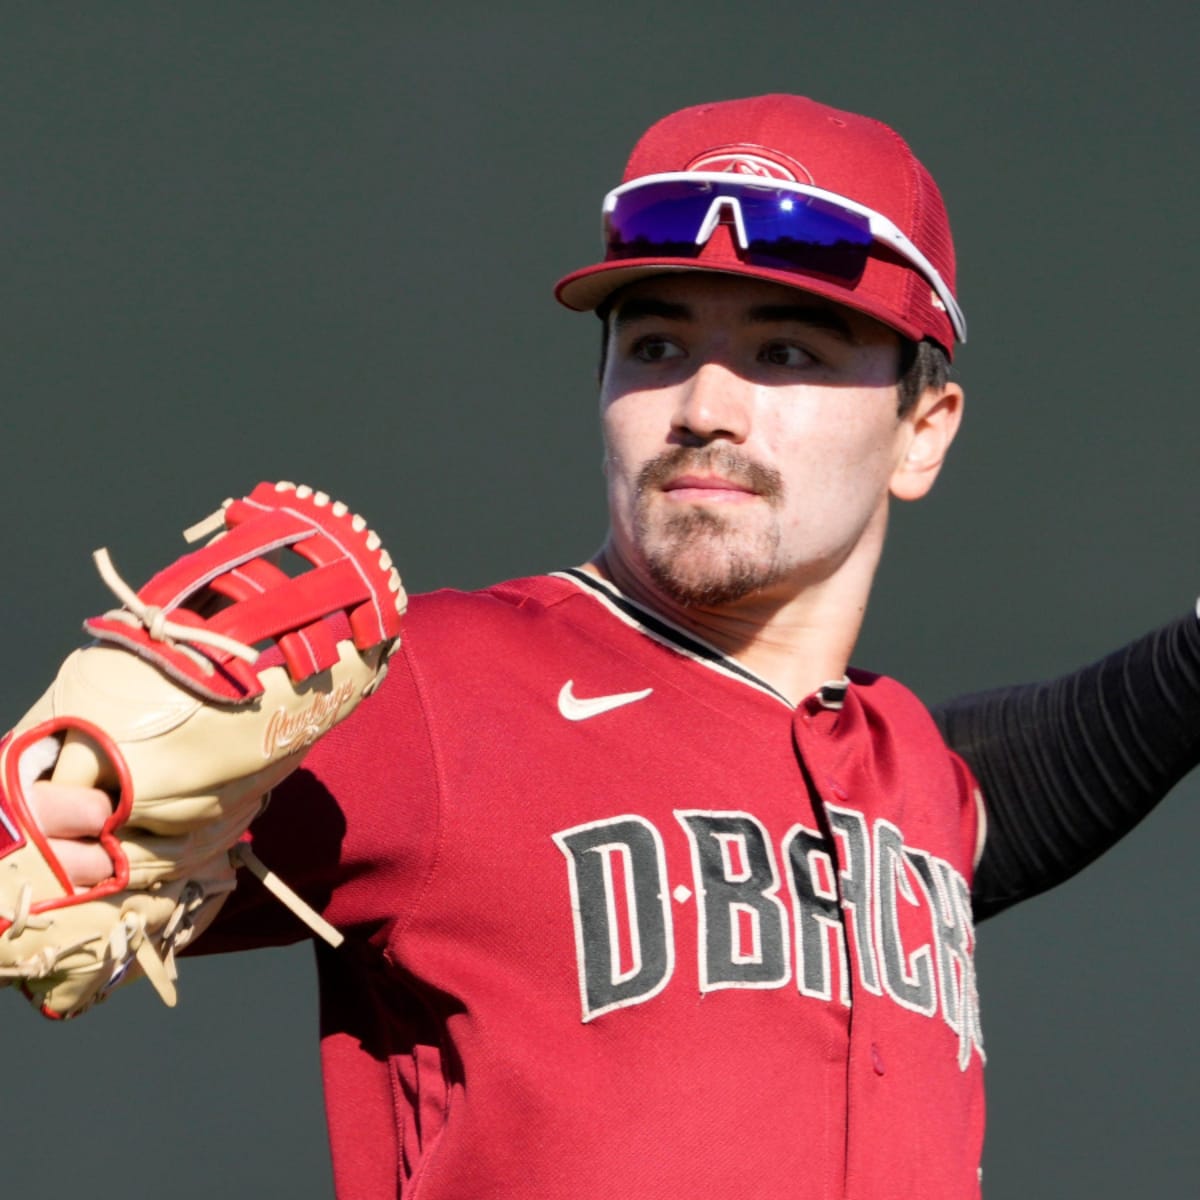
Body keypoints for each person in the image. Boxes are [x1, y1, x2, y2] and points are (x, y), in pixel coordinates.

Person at [28, 94, 1200, 1198]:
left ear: (921, 432)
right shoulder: (439, 689)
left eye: (785, 353)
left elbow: (1012, 782)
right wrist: (55, 803)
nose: (703, 405)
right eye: (655, 345)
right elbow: (58, 839)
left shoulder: (900, 773)